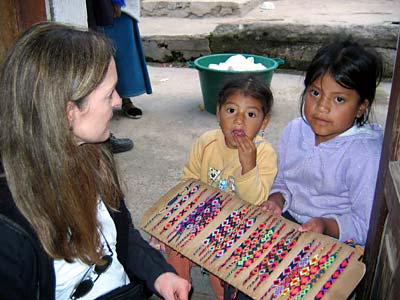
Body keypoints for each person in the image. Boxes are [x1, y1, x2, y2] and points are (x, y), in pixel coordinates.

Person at [0, 22, 190, 300]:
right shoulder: (10, 229)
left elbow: (119, 236)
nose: (116, 101)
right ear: (68, 113)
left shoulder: (93, 154)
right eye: (109, 93)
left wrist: (159, 273)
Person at [151, 75, 278, 300]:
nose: (239, 121)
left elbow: (256, 203)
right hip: (202, 217)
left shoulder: (265, 154)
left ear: (264, 122)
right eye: (231, 111)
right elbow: (188, 184)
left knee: (228, 275)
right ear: (218, 112)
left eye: (251, 114)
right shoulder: (207, 142)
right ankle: (177, 290)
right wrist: (169, 224)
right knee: (175, 247)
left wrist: (248, 166)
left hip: (238, 226)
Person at [262, 39, 383, 247]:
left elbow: (365, 226)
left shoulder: (365, 155)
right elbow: (283, 180)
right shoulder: (294, 131)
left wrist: (326, 226)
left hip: (337, 238)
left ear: (361, 107)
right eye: (315, 93)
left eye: (339, 99)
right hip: (290, 222)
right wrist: (276, 200)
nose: (322, 107)